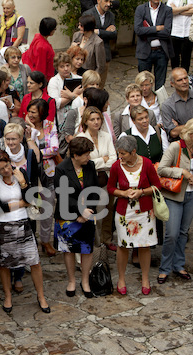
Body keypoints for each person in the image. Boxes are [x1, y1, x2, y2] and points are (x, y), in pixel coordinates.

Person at [0, 150, 50, 313]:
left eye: (7, 166)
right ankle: (7, 296)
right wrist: (19, 204)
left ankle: (41, 296)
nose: (6, 170)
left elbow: (31, 200)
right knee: (5, 263)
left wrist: (23, 184)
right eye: (2, 169)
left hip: (23, 223)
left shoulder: (20, 173)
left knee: (34, 261)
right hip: (4, 226)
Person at [107, 136, 161, 295]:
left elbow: (157, 186)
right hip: (125, 212)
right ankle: (121, 279)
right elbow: (110, 188)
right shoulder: (116, 166)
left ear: (133, 152)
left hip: (144, 211)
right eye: (119, 153)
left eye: (123, 153)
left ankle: (145, 278)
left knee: (144, 245)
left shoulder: (146, 164)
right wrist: (123, 193)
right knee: (123, 246)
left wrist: (142, 192)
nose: (120, 156)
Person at [54, 136, 99, 298]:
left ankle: (85, 281)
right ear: (75, 155)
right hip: (67, 215)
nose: (89, 157)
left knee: (87, 248)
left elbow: (94, 190)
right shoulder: (61, 169)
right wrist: (80, 211)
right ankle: (72, 280)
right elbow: (62, 194)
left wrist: (89, 211)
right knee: (68, 249)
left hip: (88, 215)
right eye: (86, 154)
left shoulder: (90, 166)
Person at [157, 117, 193, 284]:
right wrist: (182, 171)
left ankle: (179, 265)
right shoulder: (176, 147)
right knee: (172, 233)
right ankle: (165, 268)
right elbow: (161, 169)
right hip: (174, 195)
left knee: (183, 233)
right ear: (192, 134)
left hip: (191, 196)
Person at [77, 106, 117, 247]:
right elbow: (84, 163)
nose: (96, 122)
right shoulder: (81, 138)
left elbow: (113, 159)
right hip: (87, 183)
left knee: (102, 215)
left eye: (98, 119)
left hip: (104, 181)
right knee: (90, 215)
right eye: (92, 119)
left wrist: (98, 162)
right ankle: (93, 246)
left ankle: (100, 244)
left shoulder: (105, 136)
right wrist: (103, 160)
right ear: (86, 121)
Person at [27, 99, 59, 256]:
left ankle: (45, 240)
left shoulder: (50, 125)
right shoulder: (26, 128)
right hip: (30, 172)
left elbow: (54, 148)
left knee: (47, 207)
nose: (31, 115)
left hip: (48, 173)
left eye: (34, 112)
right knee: (31, 207)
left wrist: (38, 153)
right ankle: (31, 239)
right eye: (30, 111)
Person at [134, 0, 174, 91]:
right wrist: (157, 28)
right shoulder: (140, 9)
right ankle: (143, 104)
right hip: (144, 51)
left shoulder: (167, 10)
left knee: (160, 85)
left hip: (161, 52)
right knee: (143, 83)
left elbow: (167, 32)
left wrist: (148, 32)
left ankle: (159, 104)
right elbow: (138, 30)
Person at [83, 0, 117, 88]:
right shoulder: (88, 14)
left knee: (100, 86)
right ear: (98, 0)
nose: (108, 4)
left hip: (105, 55)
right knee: (88, 85)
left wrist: (98, 31)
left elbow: (114, 34)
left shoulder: (111, 15)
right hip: (90, 56)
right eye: (106, 1)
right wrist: (105, 32)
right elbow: (86, 34)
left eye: (110, 1)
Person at [47, 53, 83, 132]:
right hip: (62, 118)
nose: (66, 69)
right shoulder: (54, 81)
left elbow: (84, 100)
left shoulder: (80, 79)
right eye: (62, 66)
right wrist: (74, 95)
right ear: (57, 68)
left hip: (78, 115)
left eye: (67, 65)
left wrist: (69, 95)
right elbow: (56, 103)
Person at [161, 68, 193, 141]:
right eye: (180, 80)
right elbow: (173, 132)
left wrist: (180, 127)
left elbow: (176, 130)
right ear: (172, 83)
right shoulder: (167, 105)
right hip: (181, 144)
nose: (184, 82)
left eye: (185, 78)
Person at [167, 0, 193, 71]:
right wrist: (187, 7)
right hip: (174, 32)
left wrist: (177, 11)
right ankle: (175, 79)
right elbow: (169, 11)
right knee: (174, 59)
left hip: (188, 32)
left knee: (186, 59)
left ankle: (185, 78)